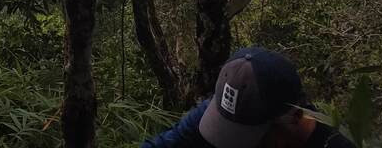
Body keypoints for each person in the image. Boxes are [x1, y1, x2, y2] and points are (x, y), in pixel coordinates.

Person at [142, 47, 357, 148]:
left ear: (295, 116)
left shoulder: (332, 144)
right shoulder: (235, 108)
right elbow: (168, 143)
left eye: (250, 138)